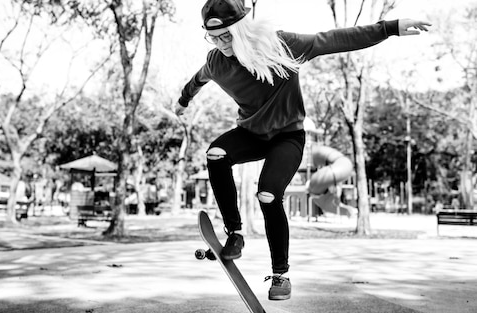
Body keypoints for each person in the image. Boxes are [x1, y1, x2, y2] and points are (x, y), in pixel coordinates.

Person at [175, 0, 430, 301]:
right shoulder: (217, 61)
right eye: (213, 37)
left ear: (241, 29)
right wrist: (182, 100)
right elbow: (198, 79)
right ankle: (235, 233)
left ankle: (280, 275)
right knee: (215, 153)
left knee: (268, 194)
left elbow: (334, 39)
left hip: (288, 138)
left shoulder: (282, 46)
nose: (220, 43)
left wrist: (390, 28)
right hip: (251, 135)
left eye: (226, 36)